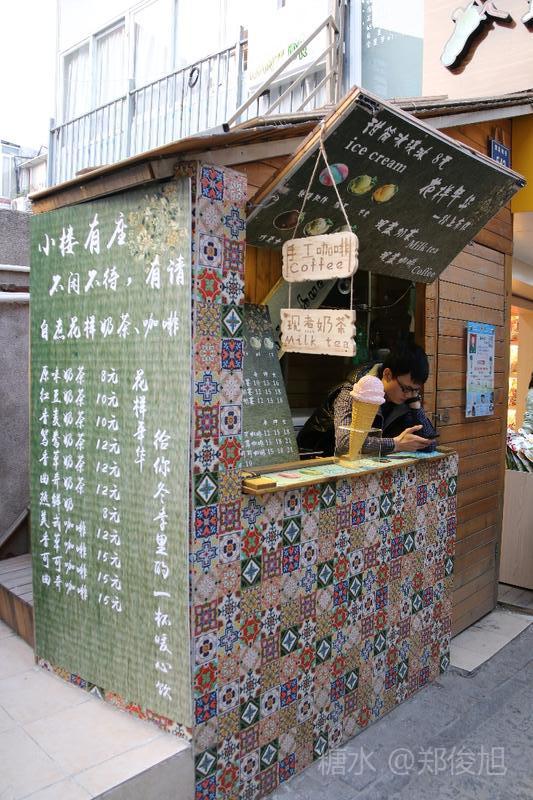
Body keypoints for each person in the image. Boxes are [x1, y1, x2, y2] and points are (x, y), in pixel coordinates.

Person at [297, 343, 437, 456]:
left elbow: (429, 443)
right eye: (406, 389)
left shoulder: (407, 399)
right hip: (315, 458)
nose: (409, 395)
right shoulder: (353, 390)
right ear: (387, 374)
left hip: (360, 465)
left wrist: (416, 405)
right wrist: (396, 444)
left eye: (416, 390)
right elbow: (346, 443)